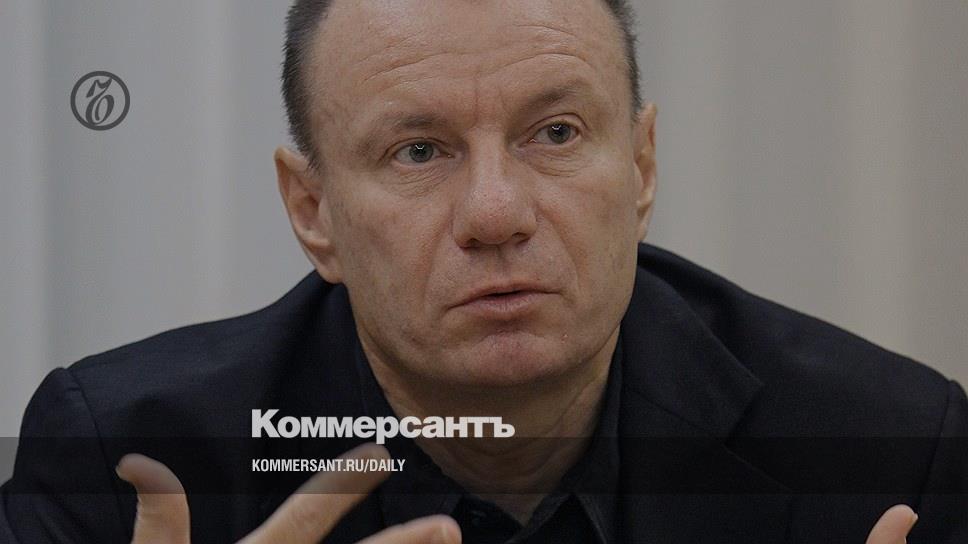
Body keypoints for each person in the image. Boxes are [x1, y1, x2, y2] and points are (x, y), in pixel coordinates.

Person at [2, 0, 965, 542]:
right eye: (418, 151)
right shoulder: (129, 462)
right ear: (313, 212)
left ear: (640, 168)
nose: (497, 214)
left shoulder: (886, 454)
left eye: (557, 133)